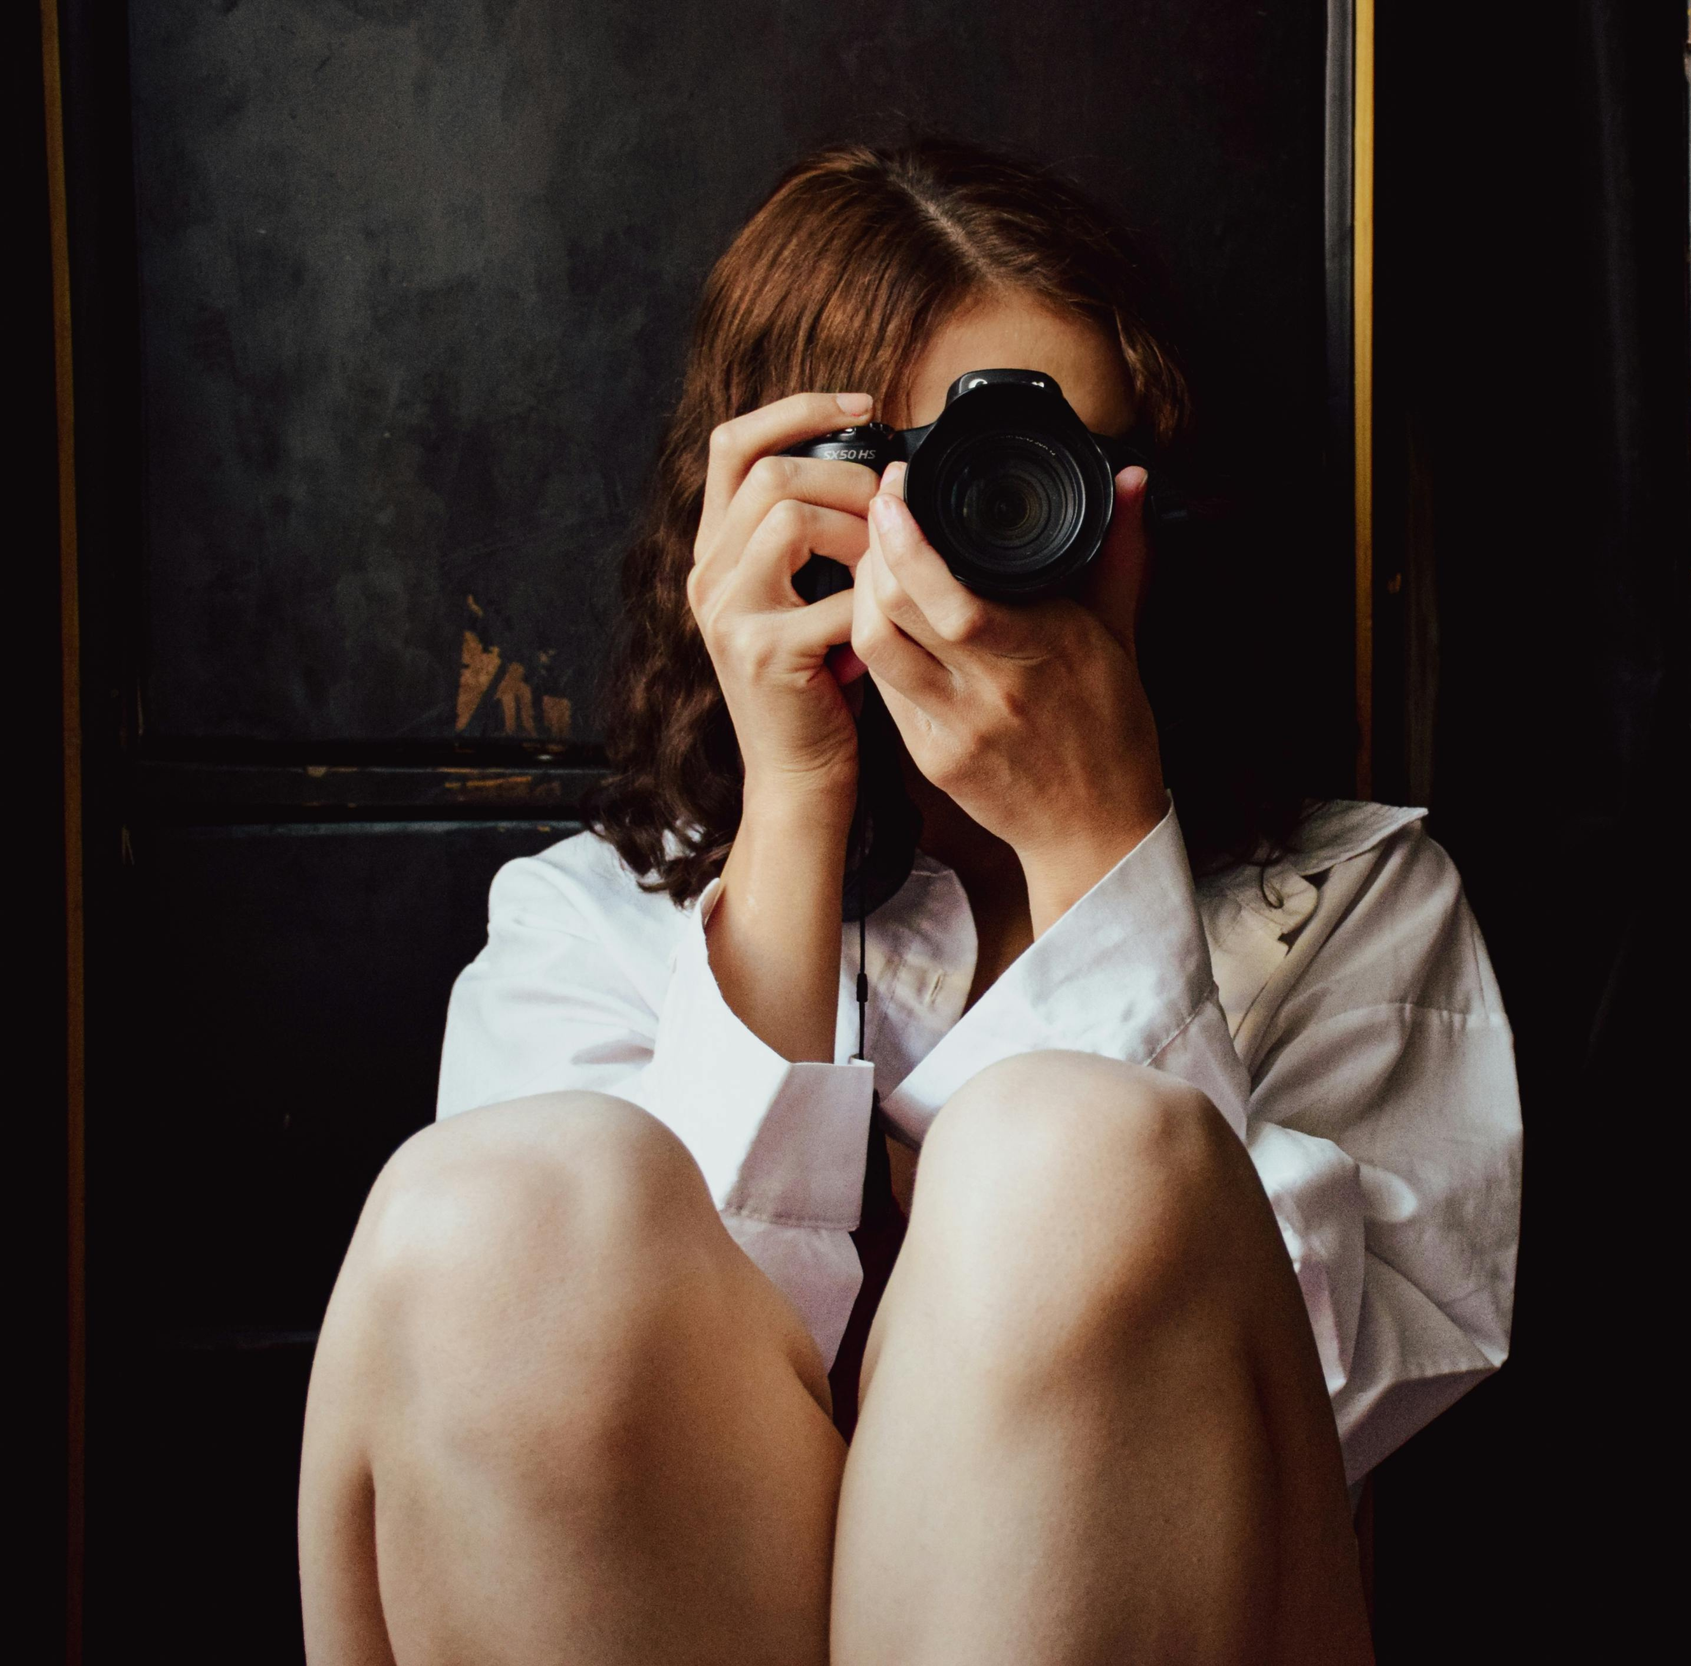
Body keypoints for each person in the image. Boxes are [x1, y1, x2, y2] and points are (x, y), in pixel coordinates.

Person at [297, 139, 1521, 1666]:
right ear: (761, 507)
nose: (974, 535)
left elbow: (1315, 1424)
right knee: (496, 1202)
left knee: (1080, 1151)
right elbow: (606, 1437)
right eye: (909, 482)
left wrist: (1099, 852)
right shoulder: (582, 928)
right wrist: (793, 802)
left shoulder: (1353, 903)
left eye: (1044, 472)